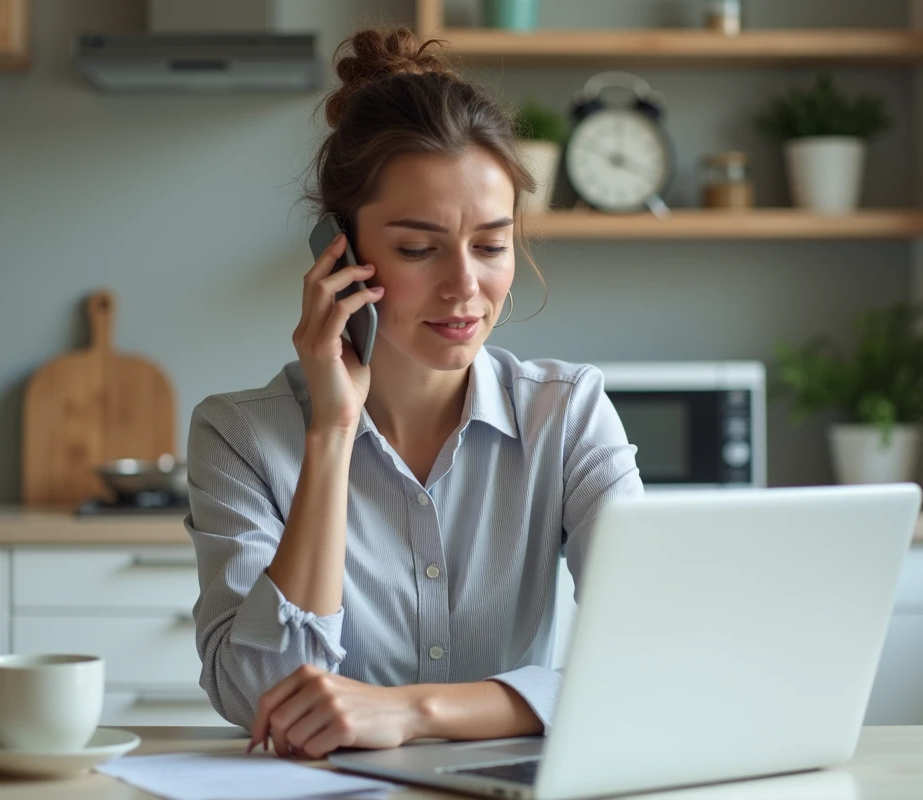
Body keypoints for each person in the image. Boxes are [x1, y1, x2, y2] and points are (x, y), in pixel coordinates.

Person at [186, 26, 643, 760]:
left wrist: (411, 711)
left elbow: (644, 665)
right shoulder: (239, 436)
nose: (465, 286)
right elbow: (263, 697)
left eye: (491, 245)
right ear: (339, 252)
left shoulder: (569, 414)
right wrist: (332, 433)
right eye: (418, 248)